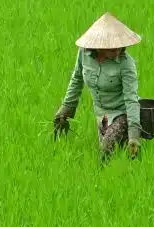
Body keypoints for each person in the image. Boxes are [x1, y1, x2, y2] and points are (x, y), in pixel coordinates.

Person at [52, 13, 143, 160]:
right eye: (112, 49)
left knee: (105, 153)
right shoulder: (84, 54)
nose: (118, 52)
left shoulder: (126, 64)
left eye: (120, 47)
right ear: (100, 46)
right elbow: (76, 80)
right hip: (101, 115)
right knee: (118, 155)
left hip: (122, 113)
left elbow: (131, 99)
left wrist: (134, 134)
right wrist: (66, 109)